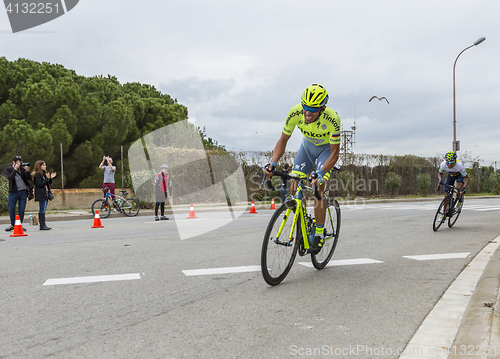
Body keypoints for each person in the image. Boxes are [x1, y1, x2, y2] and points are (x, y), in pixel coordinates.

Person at [264, 84, 341, 254]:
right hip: (307, 148)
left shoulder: (333, 119)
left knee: (317, 189)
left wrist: (320, 173)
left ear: (323, 108)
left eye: (312, 109)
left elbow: (335, 154)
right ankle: (304, 225)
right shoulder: (295, 112)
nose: (307, 112)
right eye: (305, 106)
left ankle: (319, 233)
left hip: (326, 152)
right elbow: (283, 140)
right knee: (294, 185)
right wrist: (273, 163)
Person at [437, 151, 469, 218]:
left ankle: (459, 199)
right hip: (450, 175)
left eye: (451, 162)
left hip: (459, 175)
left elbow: (466, 178)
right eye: (448, 162)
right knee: (446, 194)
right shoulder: (443, 164)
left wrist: (464, 188)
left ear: (455, 161)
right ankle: (444, 212)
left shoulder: (459, 165)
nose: (449, 165)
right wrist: (440, 180)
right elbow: (440, 173)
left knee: (459, 187)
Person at [4, 155, 32, 232]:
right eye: (18, 162)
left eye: (20, 162)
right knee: (11, 208)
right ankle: (13, 224)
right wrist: (15, 169)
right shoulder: (8, 169)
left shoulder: (22, 169)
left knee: (21, 209)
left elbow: (28, 178)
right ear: (13, 162)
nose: (19, 164)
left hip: (23, 191)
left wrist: (27, 171)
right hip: (13, 192)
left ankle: (19, 224)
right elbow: (10, 178)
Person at [32, 160, 57, 230]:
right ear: (39, 166)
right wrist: (47, 179)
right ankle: (42, 225)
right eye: (43, 165)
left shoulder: (44, 174)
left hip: (45, 193)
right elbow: (40, 184)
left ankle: (43, 224)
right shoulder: (37, 175)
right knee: (42, 209)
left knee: (44, 208)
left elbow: (48, 183)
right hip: (41, 194)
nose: (45, 166)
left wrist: (50, 179)